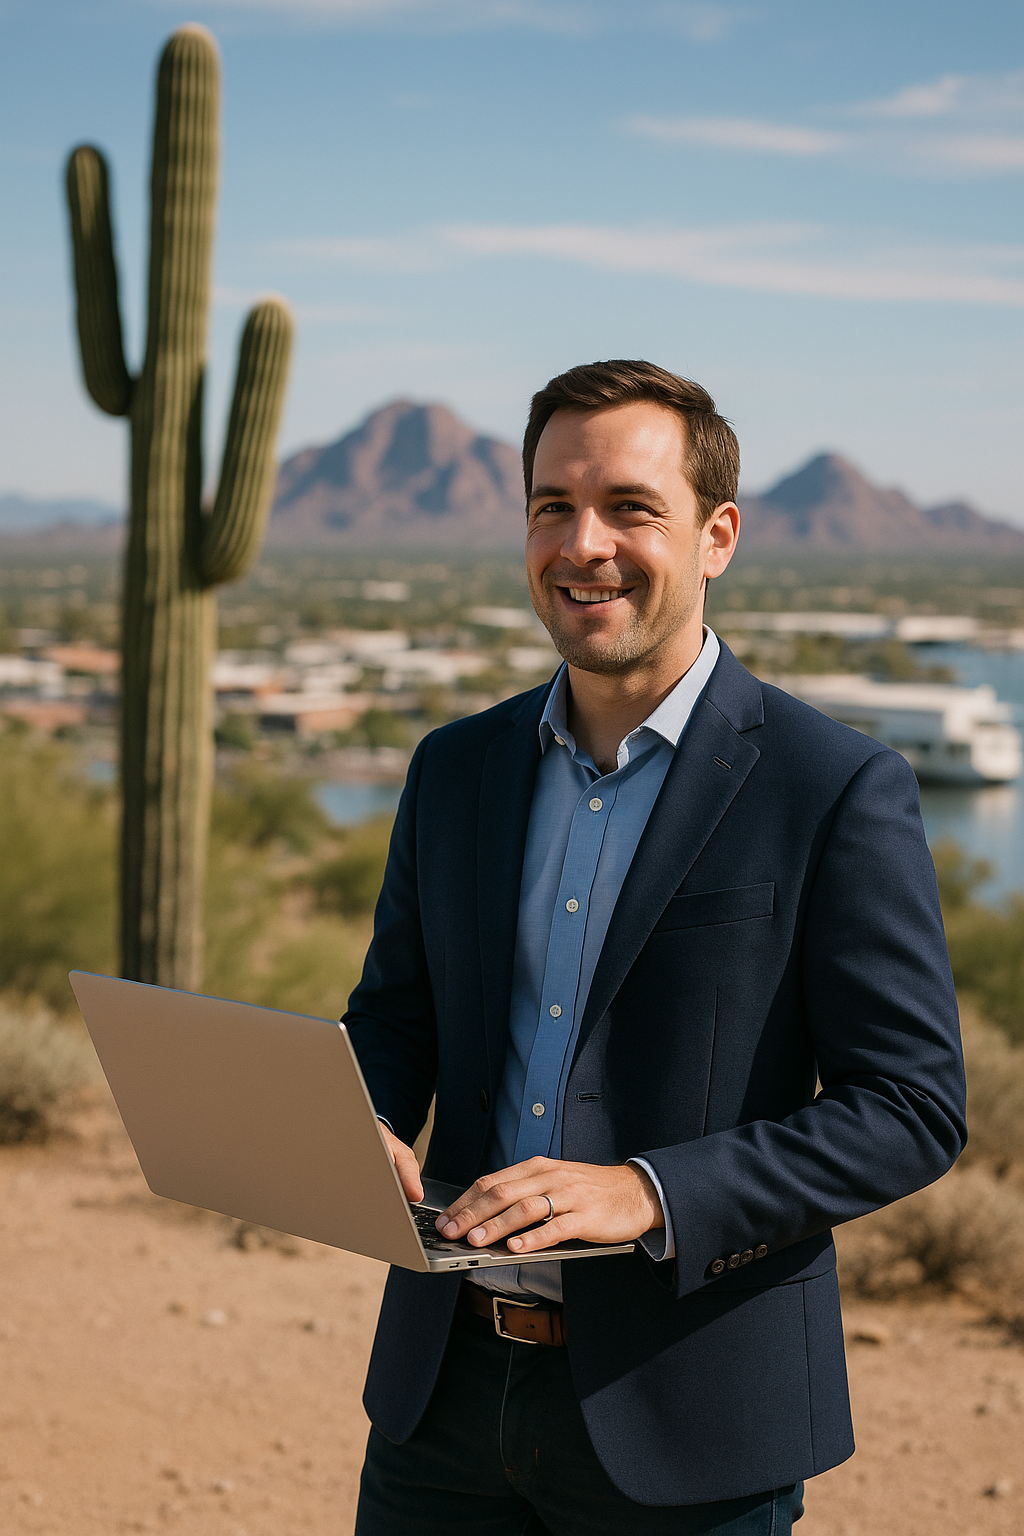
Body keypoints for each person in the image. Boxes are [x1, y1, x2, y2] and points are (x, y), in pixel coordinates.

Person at [344, 360, 967, 1535]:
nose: (584, 544)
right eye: (550, 506)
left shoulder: (832, 788)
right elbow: (396, 1014)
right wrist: (356, 1117)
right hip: (442, 1400)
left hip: (689, 1410)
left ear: (716, 535)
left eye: (630, 507)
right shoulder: (454, 769)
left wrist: (646, 1191)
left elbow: (910, 1108)